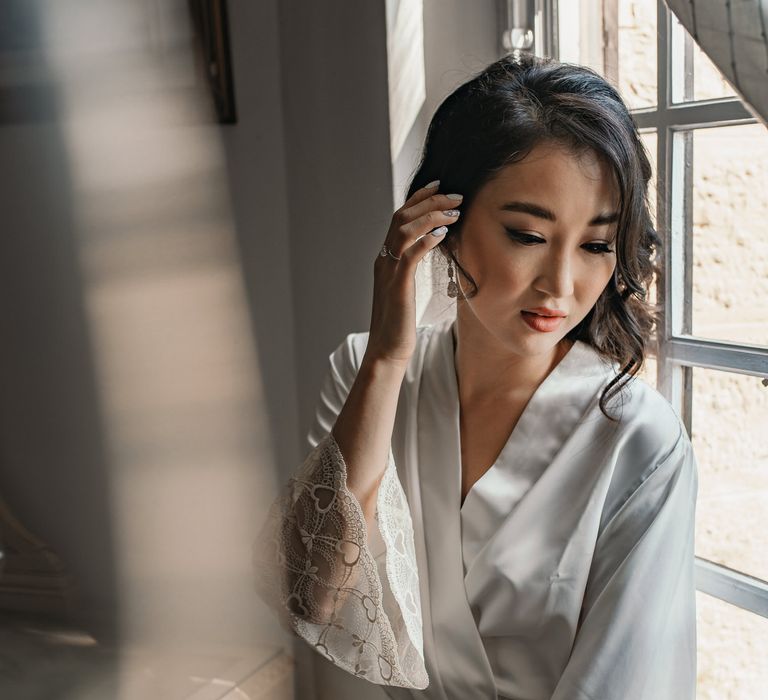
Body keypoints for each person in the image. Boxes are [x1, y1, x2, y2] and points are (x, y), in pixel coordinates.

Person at [253, 53, 698, 700]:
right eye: (526, 234)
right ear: (444, 226)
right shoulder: (366, 373)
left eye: (597, 245)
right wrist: (386, 356)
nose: (561, 286)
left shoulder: (638, 441)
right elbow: (315, 596)